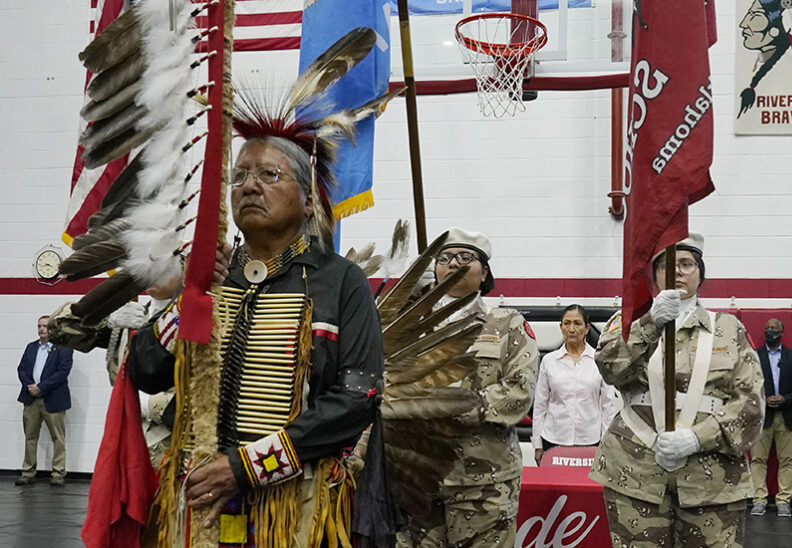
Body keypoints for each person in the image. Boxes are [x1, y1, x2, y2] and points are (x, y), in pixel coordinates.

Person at [128, 136, 384, 543]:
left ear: (307, 202)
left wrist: (246, 467)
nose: (249, 186)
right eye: (240, 175)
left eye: (270, 174)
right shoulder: (210, 276)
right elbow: (144, 371)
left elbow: (357, 399)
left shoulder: (340, 281)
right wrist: (192, 298)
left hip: (291, 508)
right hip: (195, 500)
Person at [590, 233, 765, 547]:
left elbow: (751, 404)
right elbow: (609, 369)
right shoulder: (629, 320)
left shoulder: (728, 328)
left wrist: (698, 437)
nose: (678, 272)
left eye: (687, 264)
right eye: (667, 266)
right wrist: (649, 323)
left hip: (711, 479)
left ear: (700, 272)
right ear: (655, 275)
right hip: (636, 471)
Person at [396, 227, 538, 548]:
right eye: (444, 258)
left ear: (484, 271)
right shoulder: (410, 324)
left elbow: (519, 393)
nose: (454, 263)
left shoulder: (506, 324)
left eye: (465, 257)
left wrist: (452, 406)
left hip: (483, 484)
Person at [532, 304, 617, 465]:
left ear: (587, 329)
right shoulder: (549, 362)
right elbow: (540, 405)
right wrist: (537, 444)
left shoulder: (599, 361)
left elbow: (608, 406)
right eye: (567, 323)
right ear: (561, 327)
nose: (571, 329)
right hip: (553, 439)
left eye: (577, 324)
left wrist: (606, 444)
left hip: (590, 440)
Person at [749, 318, 792, 518]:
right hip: (761, 417)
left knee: (787, 460)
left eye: (774, 328)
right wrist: (763, 399)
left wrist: (786, 398)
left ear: (782, 332)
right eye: (767, 328)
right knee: (757, 459)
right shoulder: (753, 356)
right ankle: (759, 500)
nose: (770, 331)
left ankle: (784, 501)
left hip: (787, 415)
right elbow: (745, 385)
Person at [16, 315, 74, 487]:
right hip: (30, 398)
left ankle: (58, 473)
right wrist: (30, 386)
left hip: (53, 399)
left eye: (45, 326)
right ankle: (28, 472)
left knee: (58, 437)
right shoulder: (31, 347)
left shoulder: (64, 348)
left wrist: (41, 387)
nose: (42, 329)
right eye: (39, 326)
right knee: (30, 437)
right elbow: (21, 369)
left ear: (53, 328)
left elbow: (62, 373)